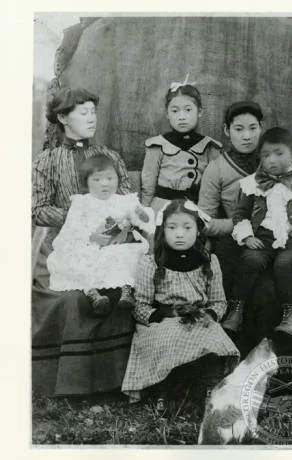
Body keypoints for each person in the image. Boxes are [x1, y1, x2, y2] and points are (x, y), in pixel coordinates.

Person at [32, 87, 135, 396]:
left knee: (124, 275)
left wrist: (105, 221)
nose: (92, 118)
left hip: (110, 231)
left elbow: (127, 196)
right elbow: (37, 209)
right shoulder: (47, 161)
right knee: (71, 295)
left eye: (94, 112)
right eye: (83, 112)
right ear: (63, 118)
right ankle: (72, 381)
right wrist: (78, 214)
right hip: (64, 239)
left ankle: (119, 379)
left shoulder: (109, 156)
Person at [198, 101, 292, 341]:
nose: (247, 136)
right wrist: (242, 227)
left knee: (278, 288)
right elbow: (204, 221)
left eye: (252, 128)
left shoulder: (276, 160)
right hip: (234, 241)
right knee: (257, 290)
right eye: (239, 129)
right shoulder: (216, 169)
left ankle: (272, 359)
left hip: (276, 239)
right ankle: (240, 357)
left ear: (261, 128)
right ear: (227, 131)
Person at [121, 199, 240, 406]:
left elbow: (219, 302)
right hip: (162, 322)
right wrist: (164, 316)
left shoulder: (209, 261)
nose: (179, 234)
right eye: (172, 227)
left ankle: (206, 389)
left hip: (197, 318)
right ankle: (164, 392)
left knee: (211, 335)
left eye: (187, 227)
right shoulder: (152, 263)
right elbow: (140, 306)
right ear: (162, 230)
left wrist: (208, 315)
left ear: (198, 231)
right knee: (172, 335)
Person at [231, 127, 292, 336]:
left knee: (284, 264)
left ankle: (290, 317)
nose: (271, 160)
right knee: (251, 260)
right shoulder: (254, 183)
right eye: (265, 155)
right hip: (263, 238)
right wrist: (247, 236)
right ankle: (235, 310)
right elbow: (240, 213)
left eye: (278, 153)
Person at [47, 155, 155, 315]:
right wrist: (88, 238)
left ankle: (126, 290)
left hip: (118, 242)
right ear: (86, 183)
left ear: (117, 179)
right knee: (72, 257)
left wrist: (141, 214)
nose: (104, 183)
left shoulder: (125, 201)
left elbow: (143, 221)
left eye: (110, 178)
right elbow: (73, 227)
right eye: (97, 179)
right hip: (90, 242)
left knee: (129, 253)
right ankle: (93, 293)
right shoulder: (81, 202)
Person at [141, 75, 222, 213]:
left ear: (200, 111)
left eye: (188, 110)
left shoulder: (210, 147)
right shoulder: (157, 146)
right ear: (167, 113)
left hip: (197, 209)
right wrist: (143, 217)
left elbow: (214, 188)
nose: (181, 116)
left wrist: (207, 217)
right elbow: (148, 186)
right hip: (162, 209)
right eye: (175, 110)